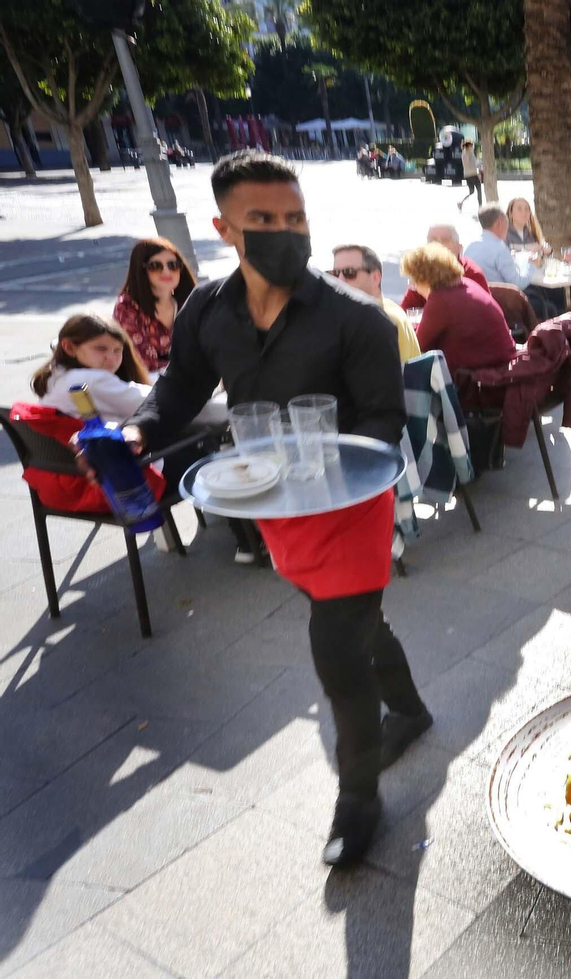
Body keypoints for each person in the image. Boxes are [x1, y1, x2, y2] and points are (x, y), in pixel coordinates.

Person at [117, 150, 431, 867]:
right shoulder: (207, 308)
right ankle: (411, 709)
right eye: (263, 219)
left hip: (351, 509)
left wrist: (331, 469)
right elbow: (179, 391)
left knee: (337, 654)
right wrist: (138, 429)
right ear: (226, 227)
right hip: (274, 510)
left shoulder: (354, 318)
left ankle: (358, 802)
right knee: (359, 627)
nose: (284, 231)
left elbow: (386, 426)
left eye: (294, 217)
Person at [400, 241, 517, 372]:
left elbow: (417, 346)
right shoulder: (466, 284)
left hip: (482, 378)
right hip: (502, 364)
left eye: (414, 281)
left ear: (425, 279)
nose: (414, 288)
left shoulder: (441, 300)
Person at [34, 313, 153, 423]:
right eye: (100, 349)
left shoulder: (55, 373)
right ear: (69, 348)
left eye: (117, 350)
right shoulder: (91, 381)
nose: (111, 358)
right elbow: (155, 401)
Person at [113, 237, 197, 372]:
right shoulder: (127, 307)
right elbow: (142, 362)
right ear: (141, 270)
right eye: (155, 266)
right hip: (149, 384)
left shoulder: (190, 303)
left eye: (173, 265)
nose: (166, 271)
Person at [329, 244, 421, 362]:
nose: (340, 281)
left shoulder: (381, 321)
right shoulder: (390, 308)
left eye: (349, 272)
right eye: (335, 274)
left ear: (375, 278)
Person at [399, 223, 491, 310]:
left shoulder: (471, 274)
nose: (438, 245)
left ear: (459, 247)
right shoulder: (424, 272)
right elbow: (406, 309)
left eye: (445, 240)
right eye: (433, 240)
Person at [456, 139, 482, 211]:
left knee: (471, 191)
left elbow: (474, 163)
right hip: (472, 174)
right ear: (468, 146)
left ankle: (461, 203)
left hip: (468, 175)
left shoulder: (468, 153)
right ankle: (481, 207)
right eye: (471, 145)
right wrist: (477, 173)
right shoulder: (467, 153)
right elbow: (470, 164)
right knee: (478, 190)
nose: (472, 146)